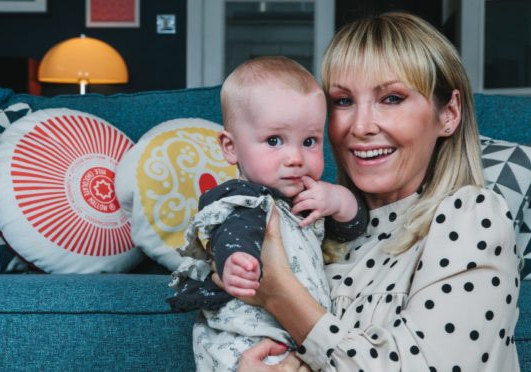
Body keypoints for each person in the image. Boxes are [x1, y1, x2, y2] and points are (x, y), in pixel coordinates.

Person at [224, 13, 522, 372]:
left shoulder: (473, 214)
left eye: (392, 98)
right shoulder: (315, 229)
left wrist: (279, 292)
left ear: (449, 113)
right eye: (343, 101)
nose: (361, 127)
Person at [167, 56, 368, 371]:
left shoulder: (307, 198)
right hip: (245, 336)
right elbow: (233, 232)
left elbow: (353, 229)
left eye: (309, 141)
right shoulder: (243, 197)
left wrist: (338, 200)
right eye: (275, 141)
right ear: (230, 147)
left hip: (300, 332)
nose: (295, 157)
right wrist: (235, 259)